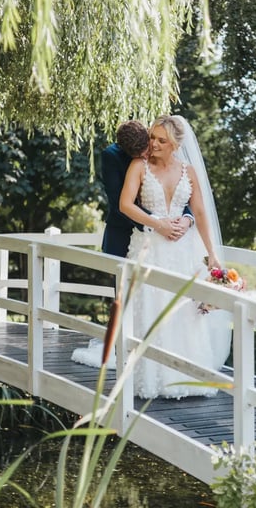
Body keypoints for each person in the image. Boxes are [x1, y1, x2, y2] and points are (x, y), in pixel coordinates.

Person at [73, 115, 231, 399]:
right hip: (149, 246)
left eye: (161, 140)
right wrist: (158, 223)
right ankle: (149, 377)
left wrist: (212, 255)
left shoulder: (189, 171)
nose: (153, 144)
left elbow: (201, 212)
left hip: (183, 250)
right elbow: (123, 204)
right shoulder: (138, 165)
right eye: (152, 138)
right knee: (148, 306)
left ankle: (187, 375)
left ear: (175, 144)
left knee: (184, 312)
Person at [100, 120, 193, 257]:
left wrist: (187, 217)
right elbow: (117, 203)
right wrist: (156, 223)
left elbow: (173, 191)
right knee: (121, 276)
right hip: (122, 231)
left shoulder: (158, 144)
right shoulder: (111, 156)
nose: (146, 156)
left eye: (147, 151)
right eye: (140, 156)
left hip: (166, 234)